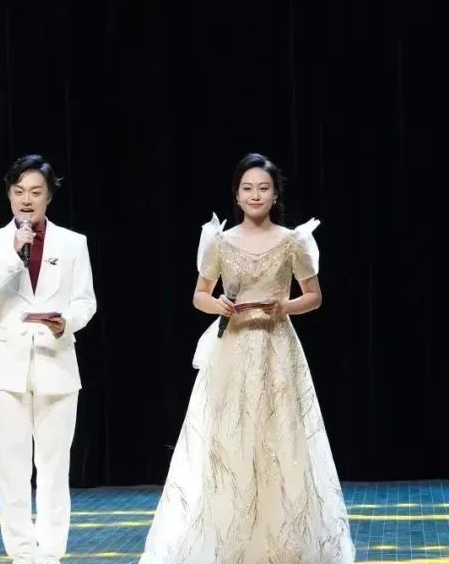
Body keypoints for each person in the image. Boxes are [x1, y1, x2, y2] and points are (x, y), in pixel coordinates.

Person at [139, 153, 355, 563]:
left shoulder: (293, 241)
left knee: (281, 439)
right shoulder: (220, 242)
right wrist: (217, 304)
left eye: (263, 188)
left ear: (274, 195)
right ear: (237, 196)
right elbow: (199, 295)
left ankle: (284, 544)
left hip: (277, 349)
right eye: (247, 188)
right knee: (230, 440)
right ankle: (231, 543)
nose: (255, 195)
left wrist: (285, 306)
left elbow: (314, 296)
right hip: (233, 349)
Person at [0, 155, 97, 564]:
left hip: (57, 363)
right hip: (7, 367)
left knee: (55, 467)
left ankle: (50, 552)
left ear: (49, 196)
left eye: (35, 192)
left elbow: (85, 301)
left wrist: (66, 322)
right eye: (19, 191)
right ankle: (22, 553)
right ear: (9, 195)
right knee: (13, 466)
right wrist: (12, 253)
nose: (26, 199)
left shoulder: (73, 243)